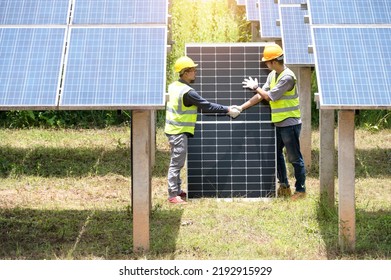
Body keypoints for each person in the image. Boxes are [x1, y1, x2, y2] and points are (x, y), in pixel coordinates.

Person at [164, 56, 241, 204]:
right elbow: (207, 106)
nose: (196, 72)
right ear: (185, 72)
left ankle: (178, 190)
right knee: (177, 163)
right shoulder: (188, 92)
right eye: (193, 70)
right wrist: (227, 109)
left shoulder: (173, 86)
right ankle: (173, 194)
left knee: (178, 160)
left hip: (173, 129)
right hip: (178, 130)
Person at [239, 44, 306, 200]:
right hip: (279, 123)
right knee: (275, 154)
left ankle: (301, 190)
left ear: (274, 61)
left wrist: (255, 87)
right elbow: (262, 95)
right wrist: (242, 107)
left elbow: (269, 97)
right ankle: (284, 186)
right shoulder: (273, 75)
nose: (266, 65)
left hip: (290, 123)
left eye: (267, 62)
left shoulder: (287, 77)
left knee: (295, 157)